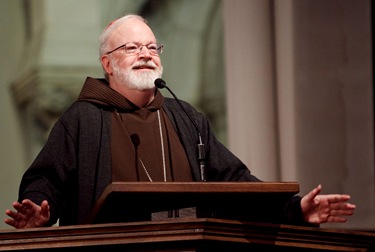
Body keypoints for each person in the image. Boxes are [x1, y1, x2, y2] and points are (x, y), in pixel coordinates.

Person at [4, 14, 355, 229]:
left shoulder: (185, 117)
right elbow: (45, 181)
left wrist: (294, 209)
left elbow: (234, 181)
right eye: (131, 48)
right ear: (107, 64)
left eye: (153, 47)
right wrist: (39, 210)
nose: (145, 53)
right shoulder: (84, 118)